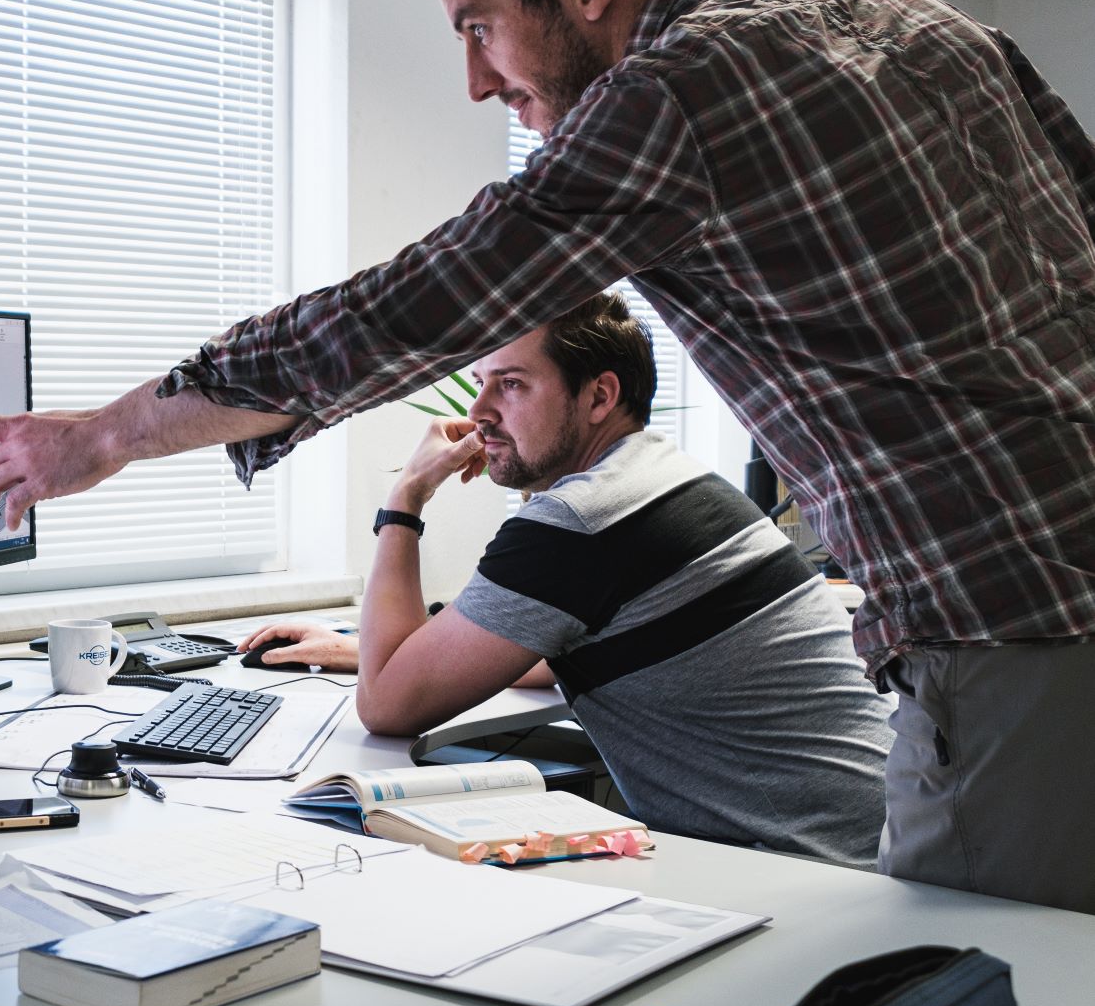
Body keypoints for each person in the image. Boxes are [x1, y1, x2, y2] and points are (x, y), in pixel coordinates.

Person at [0, 0, 1095, 912]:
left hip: (1009, 635)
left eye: (481, 28)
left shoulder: (677, 91)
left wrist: (111, 436)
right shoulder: (923, 22)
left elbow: (413, 306)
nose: (479, 83)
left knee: (996, 983)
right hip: (1054, 602)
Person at [239, 294, 893, 867]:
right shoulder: (667, 478)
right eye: (479, 383)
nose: (479, 411)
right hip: (866, 839)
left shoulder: (583, 518)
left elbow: (385, 707)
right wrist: (362, 648)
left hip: (798, 866)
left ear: (598, 396)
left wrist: (405, 498)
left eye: (512, 385)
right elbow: (551, 655)